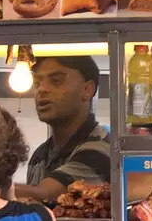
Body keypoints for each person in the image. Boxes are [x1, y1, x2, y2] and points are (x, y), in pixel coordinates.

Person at [11, 54, 111, 203]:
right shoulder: (40, 155)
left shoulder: (101, 147)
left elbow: (45, 193)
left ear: (87, 90)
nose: (42, 90)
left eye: (56, 81)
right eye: (37, 82)